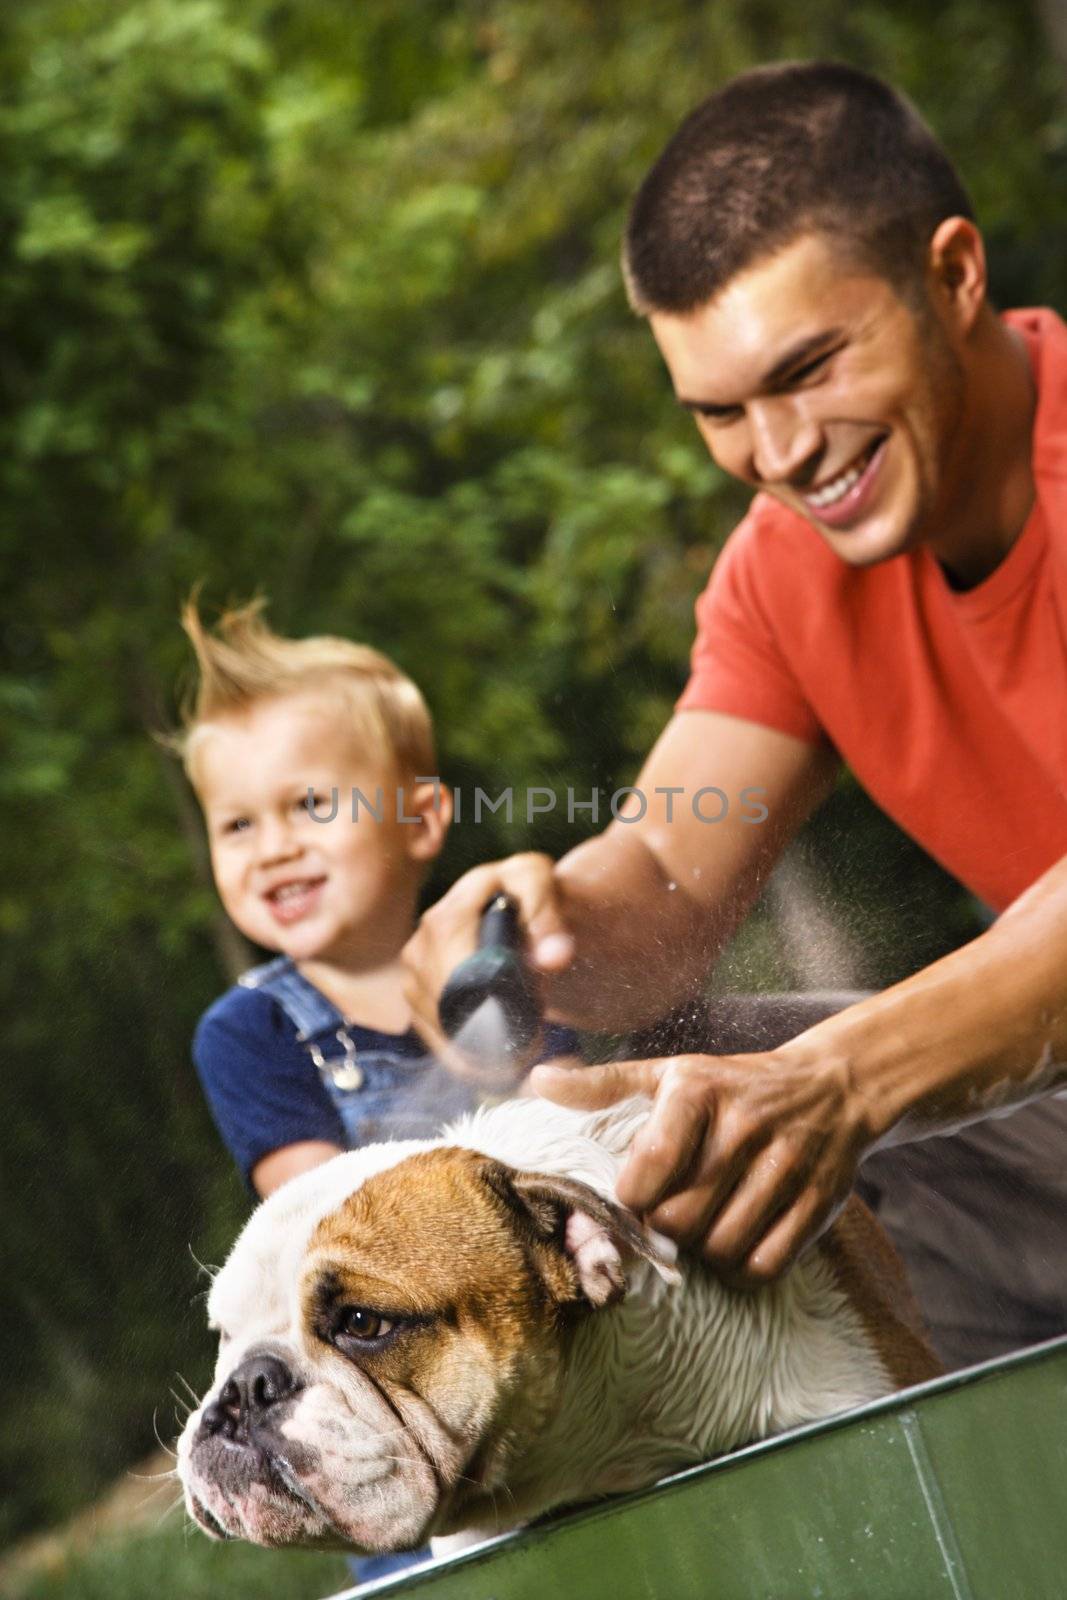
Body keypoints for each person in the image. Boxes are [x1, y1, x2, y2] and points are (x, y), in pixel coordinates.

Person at [403, 61, 1067, 1371]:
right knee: (676, 1084)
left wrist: (850, 1077)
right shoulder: (784, 571)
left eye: (810, 368)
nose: (778, 451)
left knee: (802, 1093)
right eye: (718, 410)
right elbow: (659, 875)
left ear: (955, 273)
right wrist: (533, 940)